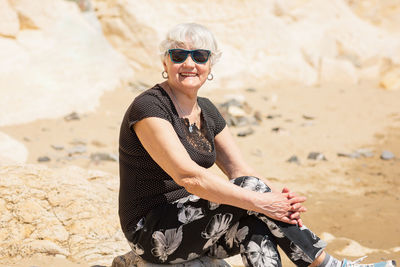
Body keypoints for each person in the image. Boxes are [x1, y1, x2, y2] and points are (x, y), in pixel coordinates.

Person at [118, 23, 396, 267]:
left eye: (199, 55)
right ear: (165, 63)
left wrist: (282, 201)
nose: (189, 63)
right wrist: (263, 201)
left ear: (210, 64)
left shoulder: (207, 110)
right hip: (152, 230)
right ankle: (329, 265)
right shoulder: (150, 107)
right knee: (254, 198)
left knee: (255, 225)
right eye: (178, 55)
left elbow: (240, 170)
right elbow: (188, 177)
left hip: (195, 225)